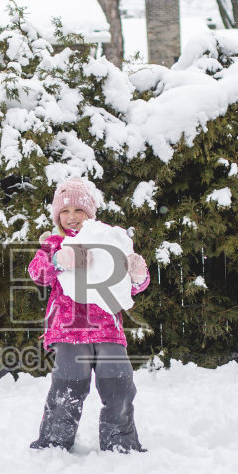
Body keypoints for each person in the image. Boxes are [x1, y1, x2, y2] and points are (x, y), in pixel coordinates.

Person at [27, 177, 151, 453]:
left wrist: (137, 273)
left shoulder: (107, 242)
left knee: (119, 384)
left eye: (78, 211)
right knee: (68, 388)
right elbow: (38, 273)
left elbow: (131, 287)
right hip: (69, 331)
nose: (71, 217)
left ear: (90, 214)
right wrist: (59, 260)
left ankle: (120, 442)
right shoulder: (53, 245)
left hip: (107, 330)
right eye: (65, 211)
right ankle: (54, 444)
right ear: (57, 216)